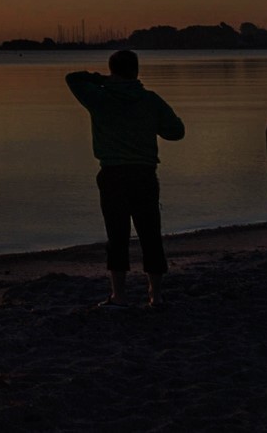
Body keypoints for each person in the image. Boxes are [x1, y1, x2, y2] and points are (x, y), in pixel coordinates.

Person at [67, 51, 186, 308]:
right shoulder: (149, 100)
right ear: (137, 70)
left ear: (113, 71)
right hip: (143, 174)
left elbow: (73, 79)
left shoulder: (100, 98)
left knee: (117, 235)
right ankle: (156, 295)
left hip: (112, 174)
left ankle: (119, 295)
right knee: (150, 234)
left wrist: (102, 79)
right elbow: (176, 132)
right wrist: (153, 126)